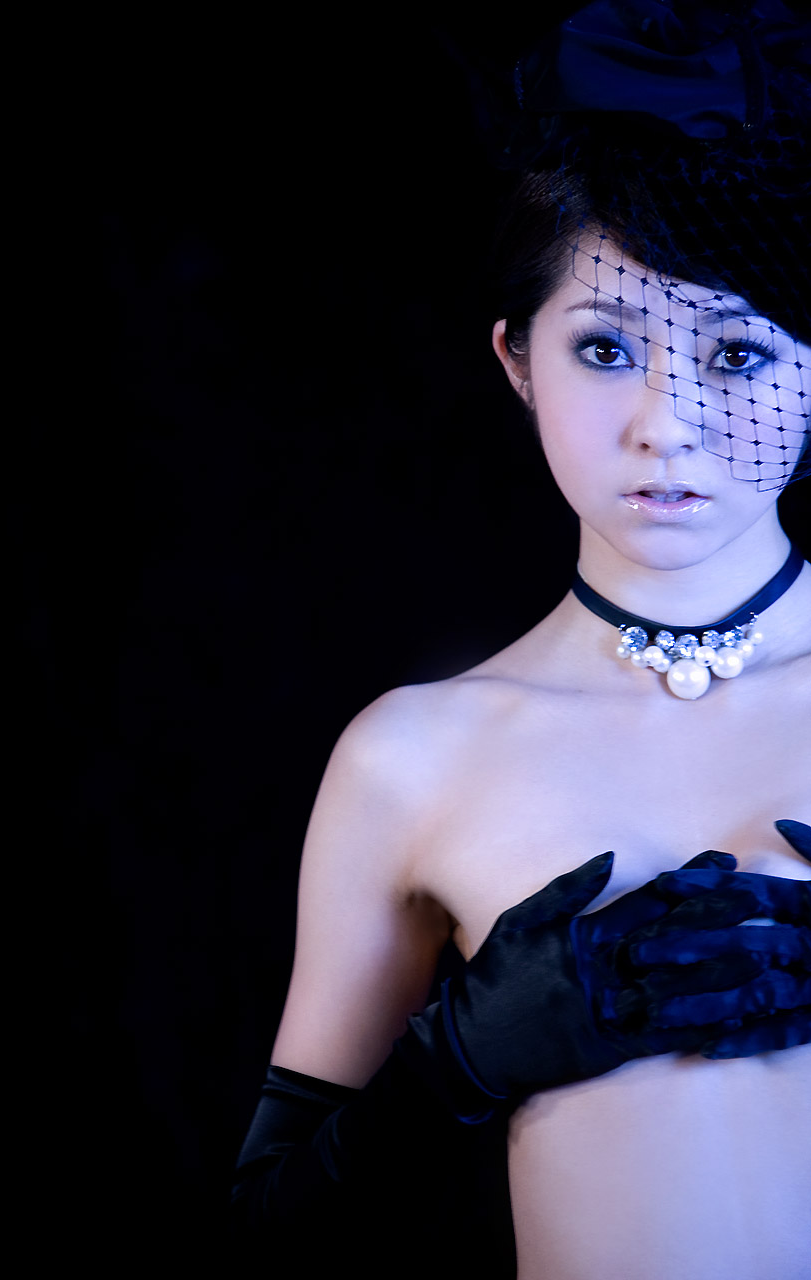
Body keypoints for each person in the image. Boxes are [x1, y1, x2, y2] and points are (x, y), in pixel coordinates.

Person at [232, 5, 811, 1277]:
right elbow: (270, 1240)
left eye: (735, 351)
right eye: (604, 347)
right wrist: (461, 1057)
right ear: (515, 362)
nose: (665, 424)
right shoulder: (410, 758)